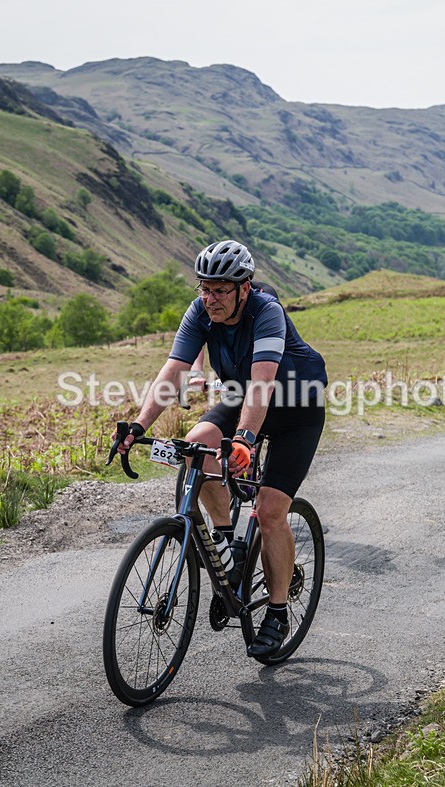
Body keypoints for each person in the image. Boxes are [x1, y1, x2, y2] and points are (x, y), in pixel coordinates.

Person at [115, 240, 327, 657]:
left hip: (296, 408)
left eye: (220, 290)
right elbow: (173, 371)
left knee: (269, 511)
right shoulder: (200, 312)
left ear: (243, 289)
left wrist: (245, 440)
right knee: (196, 447)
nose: (210, 299)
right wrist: (138, 425)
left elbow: (263, 383)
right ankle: (227, 541)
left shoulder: (267, 312)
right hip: (242, 395)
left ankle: (279, 612)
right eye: (204, 289)